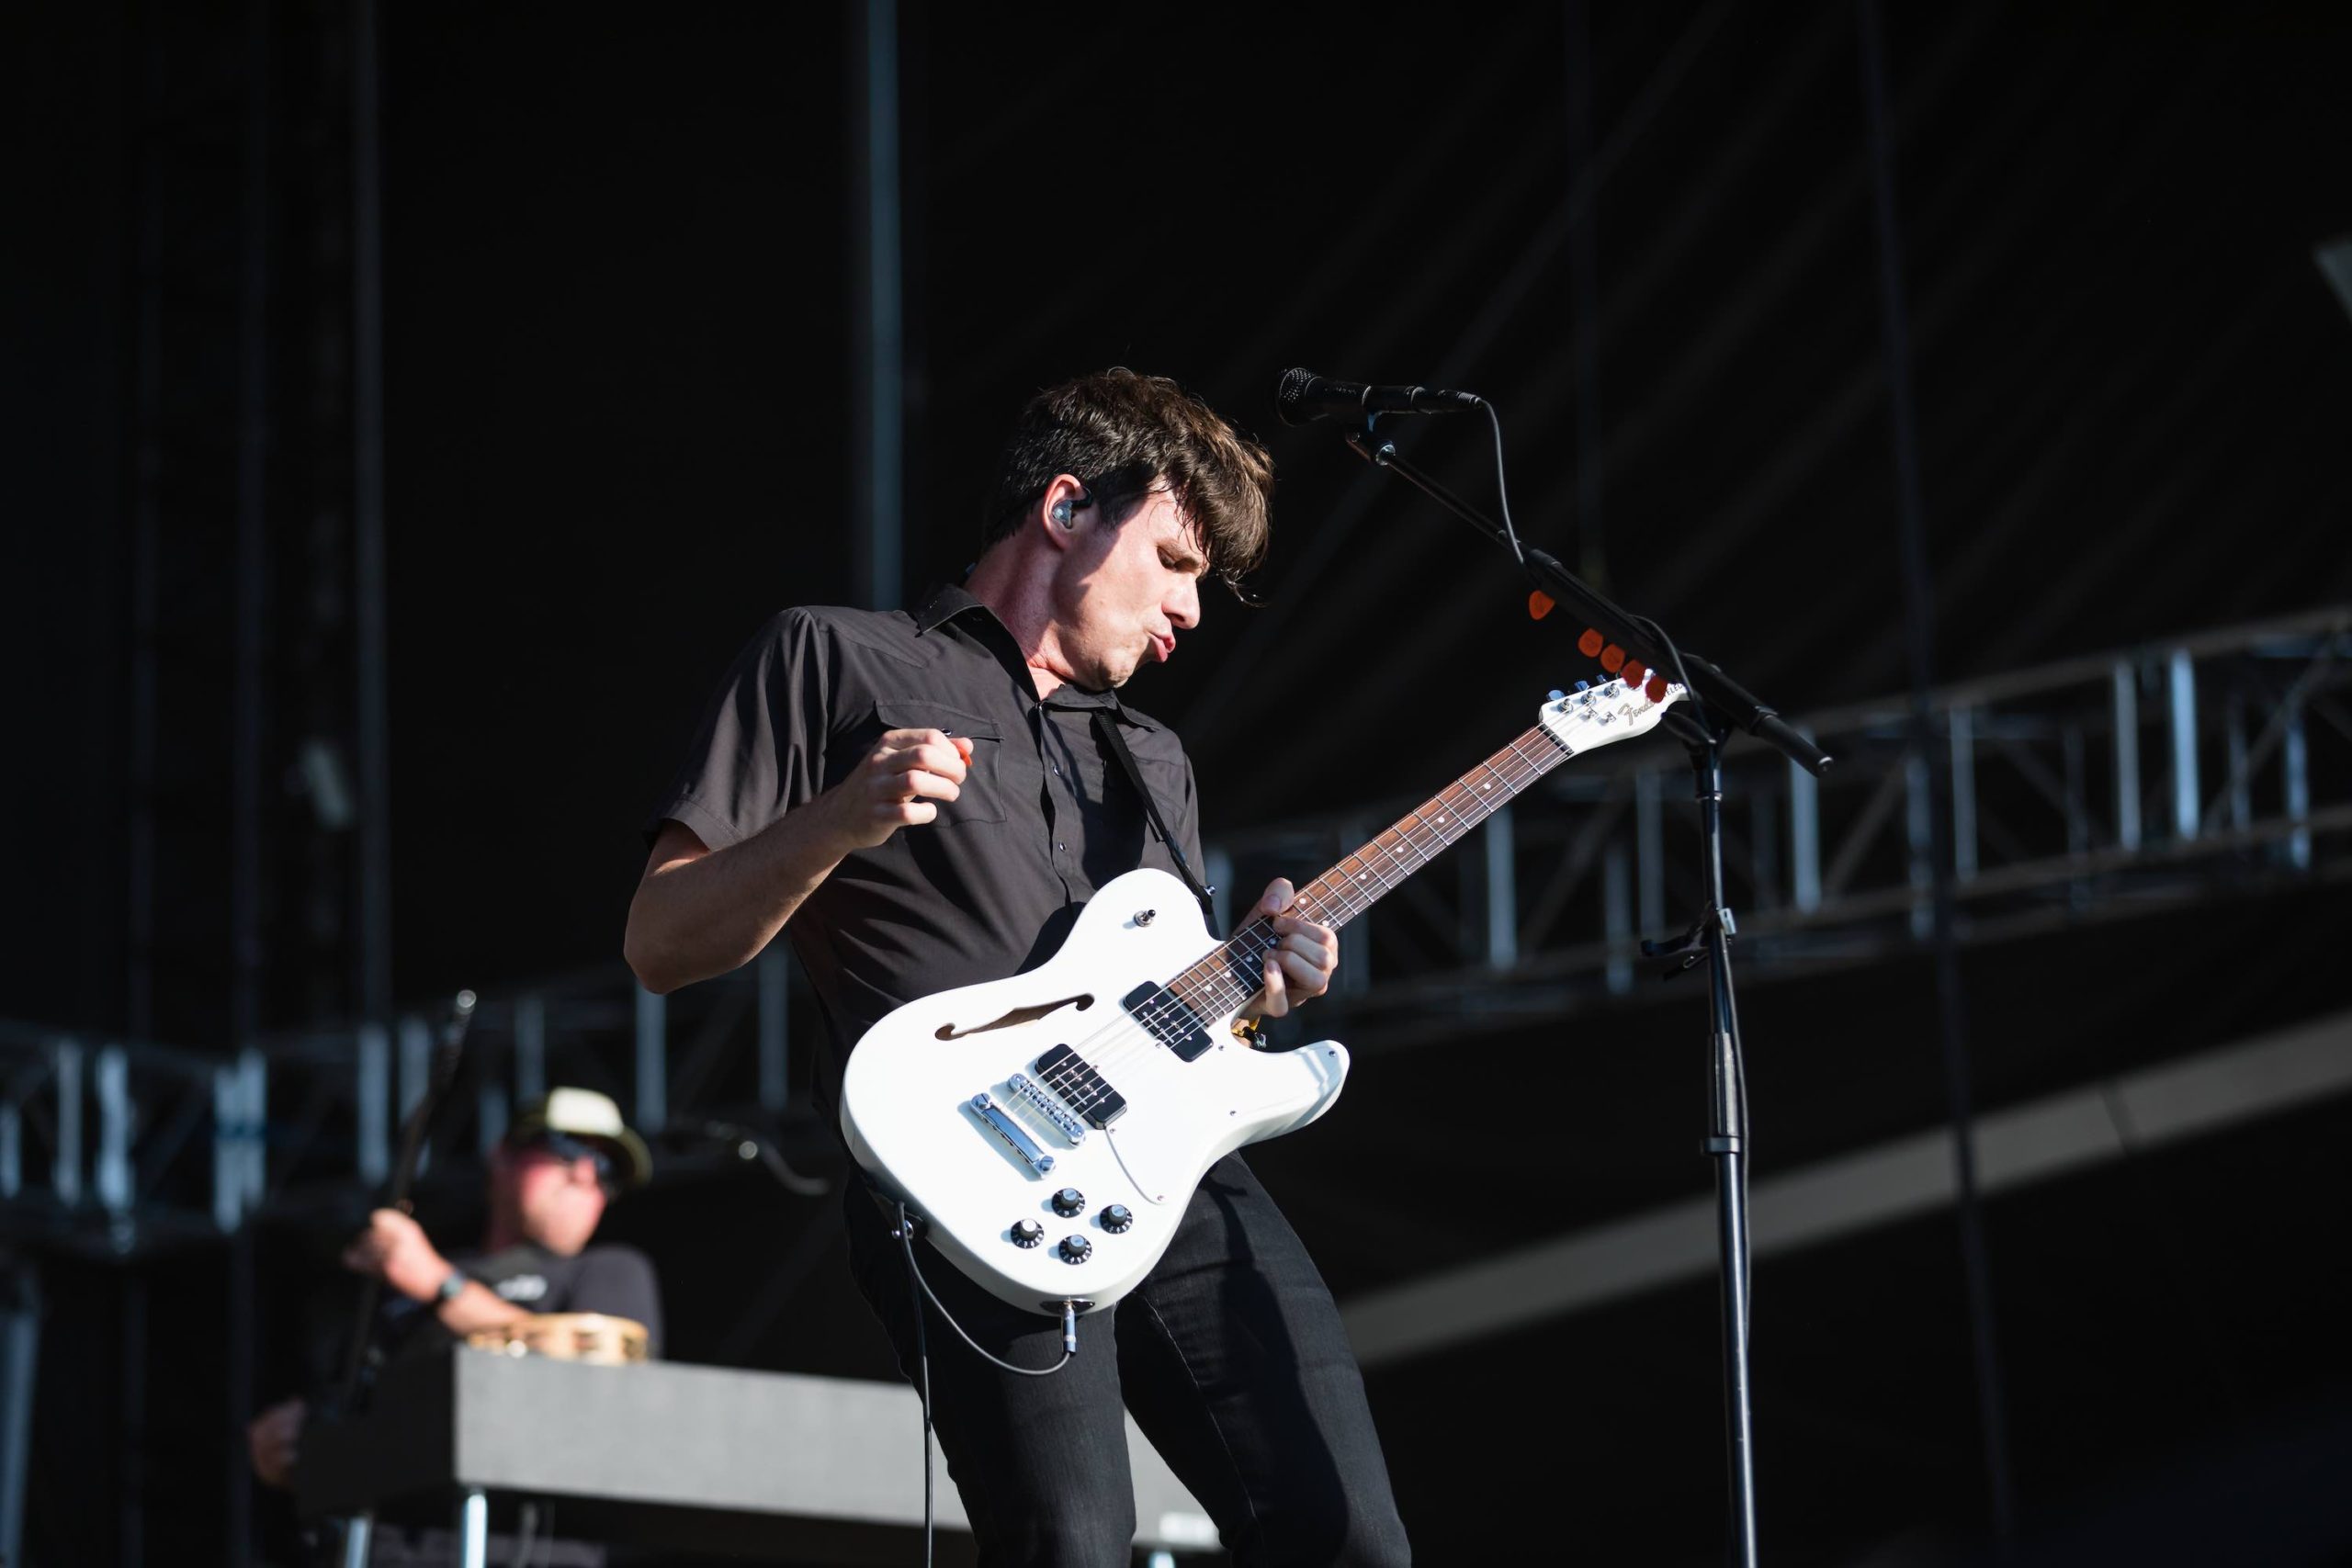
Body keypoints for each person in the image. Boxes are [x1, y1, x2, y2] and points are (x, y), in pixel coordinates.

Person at [625, 368, 1410, 1565]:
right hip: (966, 1175)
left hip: (1171, 1171)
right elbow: (660, 941)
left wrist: (1256, 980)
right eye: (1177, 561)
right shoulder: (835, 658)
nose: (1191, 613)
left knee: (1344, 1530)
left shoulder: (1156, 758)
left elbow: (1167, 1012)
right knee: (1072, 1545)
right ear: (1064, 511)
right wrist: (840, 817)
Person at [246, 1087, 662, 1493]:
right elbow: (350, 1405)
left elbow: (604, 1386)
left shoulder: (607, 1270)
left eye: (607, 1169)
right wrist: (295, 1440)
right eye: (567, 1148)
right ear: (503, 1156)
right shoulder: (406, 1278)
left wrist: (437, 1284)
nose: (584, 1173)